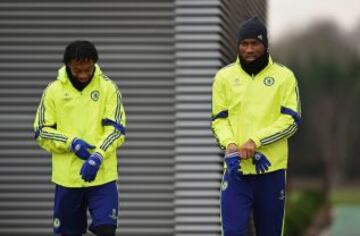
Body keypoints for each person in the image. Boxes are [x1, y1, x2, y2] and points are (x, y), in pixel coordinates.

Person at [211, 17, 302, 236]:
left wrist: (256, 141)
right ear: (238, 45)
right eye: (244, 44)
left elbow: (292, 120)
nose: (249, 49)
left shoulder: (284, 76)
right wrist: (230, 144)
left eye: (255, 43)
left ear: (265, 45)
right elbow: (219, 119)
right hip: (236, 173)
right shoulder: (224, 77)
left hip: (271, 173)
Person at [33, 40, 126, 236]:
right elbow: (41, 130)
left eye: (88, 69)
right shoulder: (53, 91)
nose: (83, 75)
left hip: (103, 176)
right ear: (68, 66)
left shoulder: (108, 88)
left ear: (94, 64)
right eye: (77, 71)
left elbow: (117, 129)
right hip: (67, 180)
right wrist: (71, 143)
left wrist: (98, 156)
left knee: (107, 230)